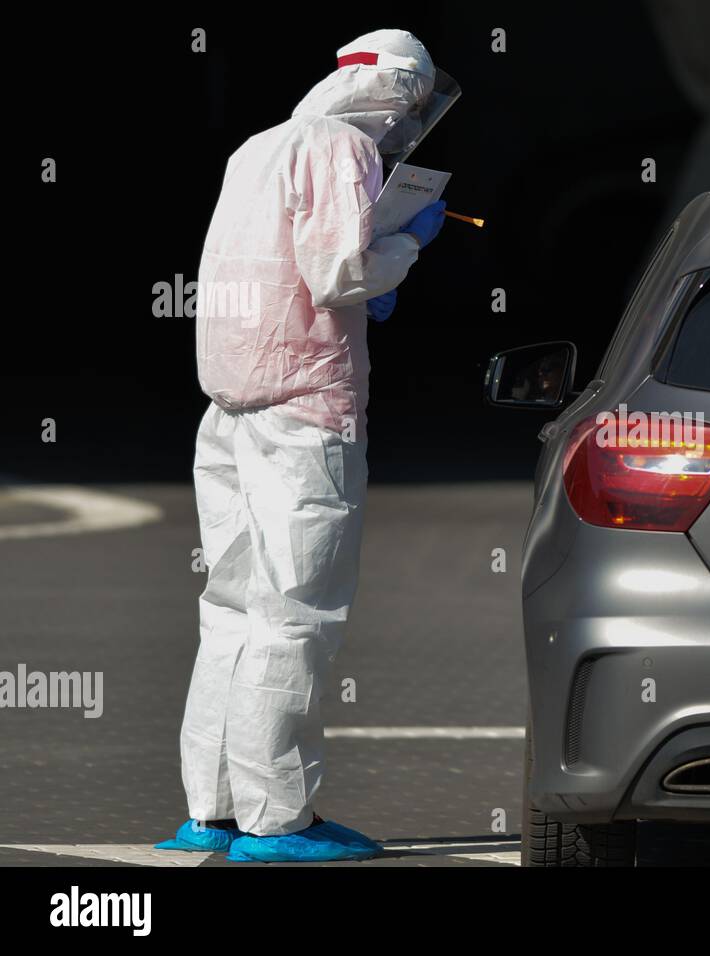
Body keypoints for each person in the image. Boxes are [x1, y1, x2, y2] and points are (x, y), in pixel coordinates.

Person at [156, 29, 449, 863]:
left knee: (231, 610)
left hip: (230, 409)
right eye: (414, 106)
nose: (407, 125)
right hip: (304, 414)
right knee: (297, 617)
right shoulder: (341, 147)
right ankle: (277, 820)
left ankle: (208, 811)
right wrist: (411, 238)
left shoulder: (258, 146)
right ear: (399, 92)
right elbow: (338, 275)